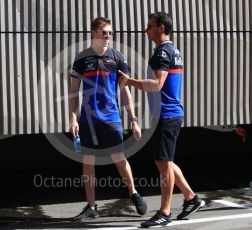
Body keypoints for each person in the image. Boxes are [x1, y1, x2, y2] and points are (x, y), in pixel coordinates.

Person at [118, 12, 205, 227]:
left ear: (161, 28)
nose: (146, 30)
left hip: (167, 115)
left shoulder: (162, 53)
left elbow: (156, 84)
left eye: (149, 26)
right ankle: (191, 198)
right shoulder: (173, 50)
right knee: (164, 161)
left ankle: (164, 213)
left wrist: (130, 81)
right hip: (169, 115)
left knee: (163, 165)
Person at [68, 17, 148, 222]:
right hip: (87, 120)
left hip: (111, 118)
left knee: (119, 159)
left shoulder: (117, 58)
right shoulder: (82, 58)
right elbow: (73, 91)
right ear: (94, 32)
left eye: (111, 33)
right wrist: (72, 118)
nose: (108, 36)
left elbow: (125, 91)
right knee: (88, 163)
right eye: (105, 32)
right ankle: (92, 207)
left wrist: (134, 119)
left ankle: (134, 193)